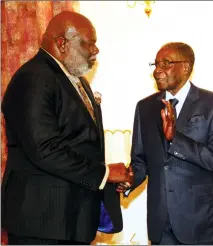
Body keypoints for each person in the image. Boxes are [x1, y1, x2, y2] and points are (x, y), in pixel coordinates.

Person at [1, 11, 133, 245]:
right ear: (62, 43)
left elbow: (79, 144)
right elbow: (45, 149)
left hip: (70, 221)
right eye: (89, 42)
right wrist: (104, 173)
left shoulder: (74, 79)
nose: (96, 50)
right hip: (42, 222)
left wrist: (107, 179)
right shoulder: (34, 78)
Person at [117, 42, 213, 245]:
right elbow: (140, 161)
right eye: (155, 64)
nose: (157, 70)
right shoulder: (144, 107)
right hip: (161, 224)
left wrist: (176, 139)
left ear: (186, 67)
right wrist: (129, 180)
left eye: (166, 63)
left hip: (203, 222)